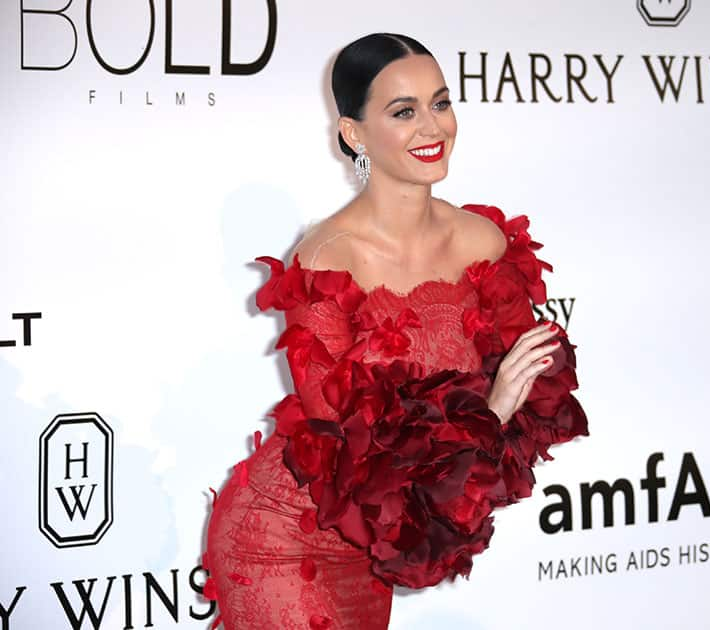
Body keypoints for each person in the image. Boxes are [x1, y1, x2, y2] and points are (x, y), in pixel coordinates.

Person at [202, 32, 588, 630]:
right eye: (403, 112)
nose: (432, 127)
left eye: (440, 103)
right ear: (354, 135)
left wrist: (506, 406)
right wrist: (489, 409)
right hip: (287, 539)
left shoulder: (485, 243)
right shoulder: (328, 258)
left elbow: (533, 391)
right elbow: (345, 442)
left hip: (376, 553)